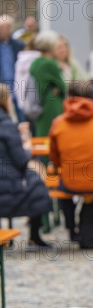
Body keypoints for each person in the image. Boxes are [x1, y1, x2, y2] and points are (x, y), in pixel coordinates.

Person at [49, 83, 93, 248]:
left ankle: (72, 229)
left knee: (62, 186)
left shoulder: (58, 123)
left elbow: (54, 156)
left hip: (69, 181)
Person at [0, 83, 51, 248]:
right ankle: (34, 235)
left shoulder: (7, 125)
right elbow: (21, 160)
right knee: (38, 186)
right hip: (8, 182)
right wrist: (28, 147)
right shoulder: (5, 124)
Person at [29, 31, 65, 137]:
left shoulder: (35, 63)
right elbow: (62, 86)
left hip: (41, 106)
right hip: (52, 105)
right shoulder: (49, 63)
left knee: (44, 137)